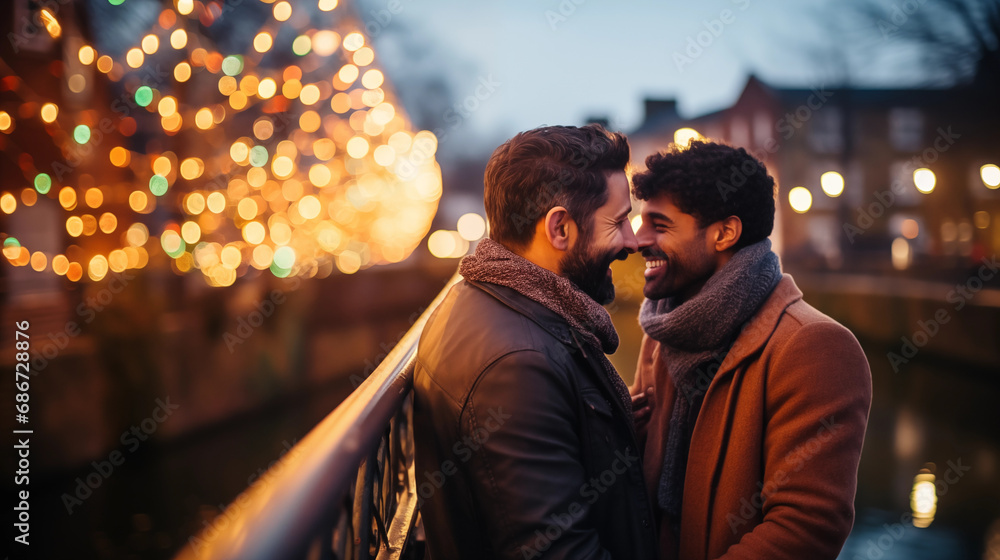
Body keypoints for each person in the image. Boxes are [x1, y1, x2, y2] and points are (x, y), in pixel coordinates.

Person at [413, 124, 658, 560]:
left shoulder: (482, 302)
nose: (632, 241)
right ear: (560, 228)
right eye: (618, 222)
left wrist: (609, 435)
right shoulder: (517, 366)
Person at [629, 140, 872, 559]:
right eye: (639, 221)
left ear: (724, 232)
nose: (637, 240)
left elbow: (806, 527)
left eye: (660, 224)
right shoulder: (663, 330)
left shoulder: (814, 346)